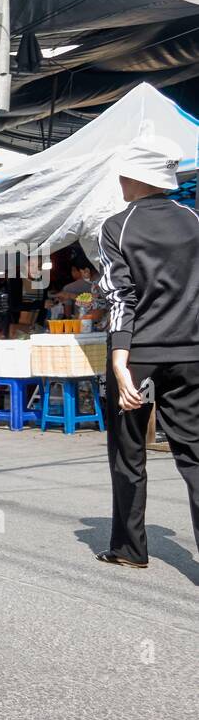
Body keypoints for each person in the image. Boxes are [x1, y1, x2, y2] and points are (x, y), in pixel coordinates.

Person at [96, 134, 199, 569]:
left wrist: (120, 362)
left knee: (129, 452)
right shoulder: (194, 219)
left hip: (139, 355)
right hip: (193, 353)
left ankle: (130, 548)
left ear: (134, 177)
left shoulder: (117, 226)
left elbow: (122, 298)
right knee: (195, 455)